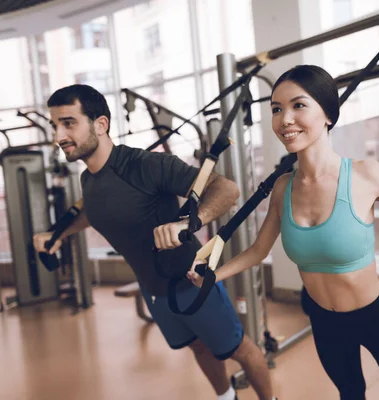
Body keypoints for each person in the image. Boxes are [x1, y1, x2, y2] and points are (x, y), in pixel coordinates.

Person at [187, 65, 379, 400]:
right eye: (276, 109)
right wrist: (213, 276)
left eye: (298, 105)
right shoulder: (283, 187)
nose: (285, 119)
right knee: (350, 395)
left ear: (328, 114)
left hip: (378, 316)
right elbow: (258, 251)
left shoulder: (367, 175)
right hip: (324, 321)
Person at [33, 84, 276, 400]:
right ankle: (226, 396)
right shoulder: (89, 178)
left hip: (191, 282)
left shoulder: (145, 165)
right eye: (55, 125)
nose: (58, 136)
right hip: (153, 288)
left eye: (68, 123)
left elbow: (227, 189)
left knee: (240, 350)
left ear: (101, 124)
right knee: (198, 346)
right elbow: (95, 212)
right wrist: (57, 236)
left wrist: (187, 222)